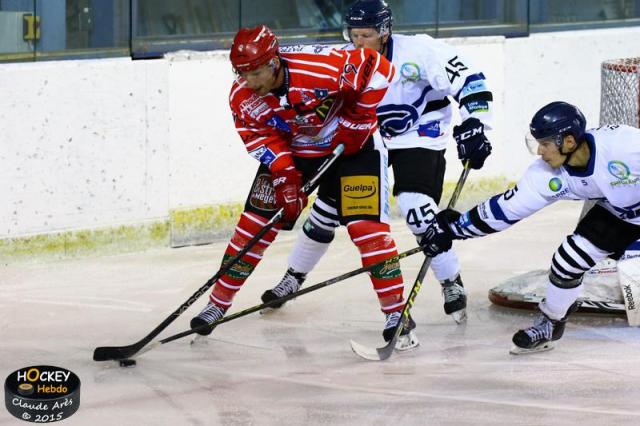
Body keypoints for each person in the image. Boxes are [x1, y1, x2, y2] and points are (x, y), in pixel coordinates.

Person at [263, 0, 493, 325]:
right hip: (368, 138)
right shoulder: (343, 60)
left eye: (366, 35)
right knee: (327, 209)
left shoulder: (420, 52)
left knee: (416, 208)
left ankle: (450, 281)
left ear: (384, 32)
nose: (359, 42)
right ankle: (293, 277)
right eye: (353, 35)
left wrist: (476, 123)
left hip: (420, 137)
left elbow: (470, 81)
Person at [191, 24, 419, 348]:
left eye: (256, 72)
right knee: (253, 227)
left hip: (354, 149)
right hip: (295, 152)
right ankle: (217, 305)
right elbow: (259, 136)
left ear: (273, 62)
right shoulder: (241, 96)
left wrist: (357, 121)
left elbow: (380, 70)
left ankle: (396, 313)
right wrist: (284, 175)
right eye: (242, 73)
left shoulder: (319, 66)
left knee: (366, 229)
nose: (250, 82)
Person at [419, 101, 640, 354]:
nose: (539, 151)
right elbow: (506, 209)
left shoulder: (624, 144)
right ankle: (551, 322)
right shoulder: (546, 175)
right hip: (620, 213)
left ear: (568, 141)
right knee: (568, 259)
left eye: (545, 143)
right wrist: (455, 228)